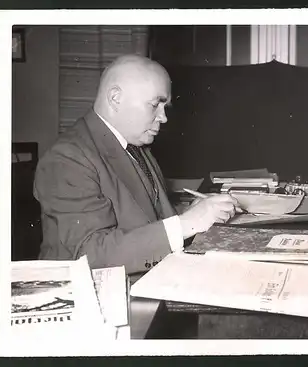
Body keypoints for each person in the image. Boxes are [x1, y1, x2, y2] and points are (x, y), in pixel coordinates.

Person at [33, 54, 239, 274]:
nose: (164, 117)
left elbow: (147, 216)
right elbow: (90, 255)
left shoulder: (134, 145)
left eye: (164, 107)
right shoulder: (67, 158)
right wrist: (187, 223)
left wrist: (191, 212)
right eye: (154, 105)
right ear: (115, 98)